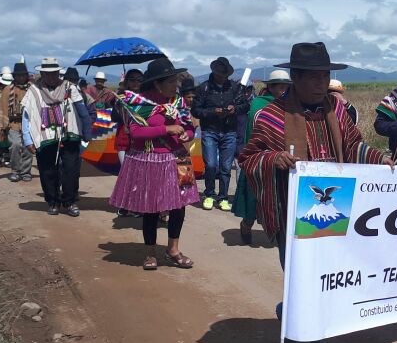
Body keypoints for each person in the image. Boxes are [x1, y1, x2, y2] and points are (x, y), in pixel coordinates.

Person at [238, 42, 392, 343]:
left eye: (326, 76)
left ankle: (290, 314)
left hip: (335, 211)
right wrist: (274, 159)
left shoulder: (336, 111)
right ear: (295, 78)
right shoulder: (270, 116)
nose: (322, 83)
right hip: (292, 216)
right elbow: (249, 158)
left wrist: (379, 159)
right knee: (304, 280)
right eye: (314, 77)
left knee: (325, 280)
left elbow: (353, 146)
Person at [108, 56, 199, 270]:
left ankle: (173, 250)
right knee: (151, 207)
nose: (175, 86)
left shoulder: (178, 102)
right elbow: (136, 132)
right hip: (151, 159)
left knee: (179, 206)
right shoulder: (140, 104)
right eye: (170, 82)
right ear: (157, 84)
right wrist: (166, 129)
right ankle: (150, 252)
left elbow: (189, 126)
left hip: (179, 158)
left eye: (175, 81)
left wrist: (187, 134)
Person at [21, 57, 88, 217]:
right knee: (47, 171)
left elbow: (82, 110)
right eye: (47, 74)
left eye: (54, 74)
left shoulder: (70, 88)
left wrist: (87, 132)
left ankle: (69, 201)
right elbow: (26, 115)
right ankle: (53, 201)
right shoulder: (33, 90)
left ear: (59, 73)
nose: (50, 77)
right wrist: (28, 138)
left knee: (71, 170)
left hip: (69, 135)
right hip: (44, 137)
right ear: (42, 74)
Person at [233, 69, 292, 245]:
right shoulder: (258, 104)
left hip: (280, 159)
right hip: (260, 157)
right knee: (253, 198)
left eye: (285, 87)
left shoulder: (289, 105)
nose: (282, 90)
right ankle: (246, 225)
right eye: (279, 86)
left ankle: (279, 233)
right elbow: (252, 132)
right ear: (271, 87)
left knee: (278, 200)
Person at [192, 57, 249, 211]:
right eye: (220, 75)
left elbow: (245, 105)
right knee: (210, 165)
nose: (223, 78)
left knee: (225, 167)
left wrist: (234, 109)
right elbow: (195, 110)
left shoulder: (235, 88)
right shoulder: (204, 88)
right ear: (214, 72)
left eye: (225, 75)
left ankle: (223, 197)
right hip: (210, 131)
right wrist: (212, 112)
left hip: (229, 131)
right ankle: (209, 195)